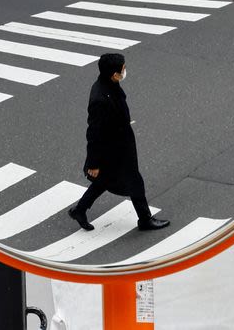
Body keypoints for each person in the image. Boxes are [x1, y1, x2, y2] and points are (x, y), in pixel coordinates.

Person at [68, 53, 170, 232]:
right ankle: (145, 219)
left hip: (120, 145)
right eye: (122, 69)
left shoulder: (109, 84)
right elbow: (94, 133)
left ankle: (80, 209)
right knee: (134, 182)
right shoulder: (100, 98)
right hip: (114, 150)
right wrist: (93, 163)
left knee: (105, 181)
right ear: (114, 74)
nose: (124, 71)